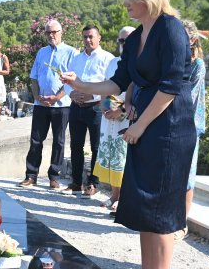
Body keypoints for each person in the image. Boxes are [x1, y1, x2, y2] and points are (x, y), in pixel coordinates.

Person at [61, 0, 196, 269]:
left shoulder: (171, 29)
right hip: (145, 127)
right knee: (144, 209)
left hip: (169, 128)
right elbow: (118, 81)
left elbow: (172, 86)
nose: (125, 5)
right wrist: (82, 87)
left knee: (163, 211)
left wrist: (139, 126)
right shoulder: (137, 37)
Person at [19, 19, 78, 190]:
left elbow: (72, 81)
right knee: (36, 140)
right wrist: (37, 96)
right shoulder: (42, 53)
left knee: (59, 141)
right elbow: (34, 77)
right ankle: (31, 175)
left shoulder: (71, 53)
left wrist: (56, 97)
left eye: (54, 32)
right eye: (48, 32)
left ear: (61, 32)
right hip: (40, 105)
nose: (51, 35)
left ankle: (54, 176)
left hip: (61, 105)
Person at [66, 25, 114, 196]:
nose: (88, 40)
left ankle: (93, 184)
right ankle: (76, 183)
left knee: (96, 147)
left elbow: (110, 85)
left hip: (95, 108)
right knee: (75, 146)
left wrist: (91, 95)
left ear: (99, 37)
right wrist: (72, 93)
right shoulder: (76, 59)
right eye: (85, 37)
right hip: (76, 107)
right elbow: (67, 80)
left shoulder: (108, 58)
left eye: (91, 36)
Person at [93, 26, 135, 213]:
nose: (124, 44)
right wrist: (105, 107)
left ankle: (125, 199)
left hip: (127, 116)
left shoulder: (139, 62)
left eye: (128, 40)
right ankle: (114, 195)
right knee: (112, 156)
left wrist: (121, 110)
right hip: (109, 115)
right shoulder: (113, 62)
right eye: (121, 40)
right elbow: (105, 85)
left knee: (123, 157)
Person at [177, 20, 206, 240]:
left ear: (192, 40)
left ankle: (182, 222)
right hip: (171, 122)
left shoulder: (197, 65)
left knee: (187, 174)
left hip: (189, 124)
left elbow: (191, 98)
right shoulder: (172, 60)